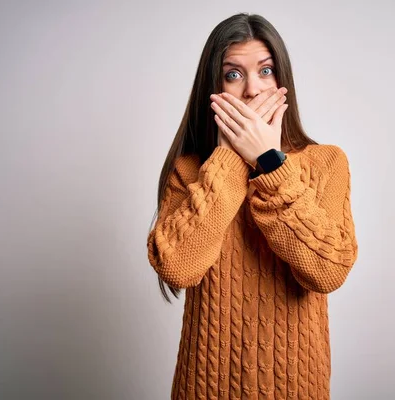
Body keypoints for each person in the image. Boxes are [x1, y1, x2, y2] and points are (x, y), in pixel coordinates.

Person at [146, 12, 358, 400]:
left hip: (297, 388)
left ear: (283, 81)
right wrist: (228, 161)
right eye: (233, 74)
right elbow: (177, 268)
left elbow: (328, 270)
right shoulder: (190, 169)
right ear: (213, 87)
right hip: (204, 389)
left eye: (265, 71)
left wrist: (270, 162)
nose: (252, 91)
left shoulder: (327, 163)